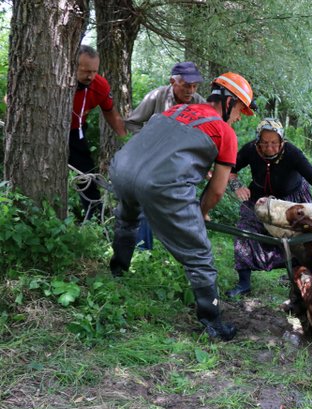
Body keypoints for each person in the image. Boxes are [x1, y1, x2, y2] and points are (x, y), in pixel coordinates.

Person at [108, 72, 256, 341]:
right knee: (200, 255)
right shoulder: (224, 132)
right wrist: (200, 214)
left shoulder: (176, 110)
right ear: (229, 101)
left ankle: (116, 274)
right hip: (160, 184)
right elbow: (218, 189)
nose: (237, 118)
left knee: (127, 220)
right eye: (239, 111)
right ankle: (212, 322)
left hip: (121, 170)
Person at [226, 118, 312, 299]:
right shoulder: (250, 150)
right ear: (258, 141)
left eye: (274, 143)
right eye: (264, 143)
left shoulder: (292, 152)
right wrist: (237, 186)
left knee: (298, 238)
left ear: (281, 141)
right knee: (245, 230)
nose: (269, 147)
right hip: (260, 198)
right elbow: (230, 170)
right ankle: (244, 283)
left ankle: (297, 272)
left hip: (291, 198)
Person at [124, 61, 207, 250]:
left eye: (194, 86)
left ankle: (187, 252)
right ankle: (142, 250)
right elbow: (132, 123)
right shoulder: (157, 96)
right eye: (186, 85)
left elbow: (210, 134)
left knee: (181, 206)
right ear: (172, 82)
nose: (191, 91)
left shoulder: (200, 103)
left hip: (181, 164)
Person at [70, 44, 127, 220]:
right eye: (86, 71)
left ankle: (95, 217)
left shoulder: (100, 85)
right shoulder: (54, 77)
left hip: (76, 132)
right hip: (46, 130)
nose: (91, 76)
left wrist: (125, 139)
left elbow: (110, 112)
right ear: (74, 65)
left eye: (94, 71)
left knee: (86, 175)